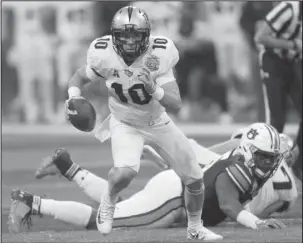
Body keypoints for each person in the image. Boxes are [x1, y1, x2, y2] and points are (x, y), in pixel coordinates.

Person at [62, 5, 218, 240]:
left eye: (135, 35)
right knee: (124, 174)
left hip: (157, 122)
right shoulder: (103, 53)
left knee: (194, 178)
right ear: (114, 36)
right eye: (124, 35)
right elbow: (79, 77)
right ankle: (109, 200)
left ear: (146, 36)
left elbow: (175, 103)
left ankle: (195, 229)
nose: (129, 41)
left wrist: (153, 89)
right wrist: (74, 97)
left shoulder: (160, 53)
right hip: (124, 121)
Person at [9, 123, 295, 233]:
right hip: (172, 200)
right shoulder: (238, 169)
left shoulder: (239, 161)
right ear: (247, 151)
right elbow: (230, 205)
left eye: (272, 157)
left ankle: (66, 166)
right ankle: (30, 203)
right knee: (100, 221)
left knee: (116, 207)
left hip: (173, 188)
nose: (269, 162)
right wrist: (256, 223)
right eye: (263, 156)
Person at [254, 2, 302, 179]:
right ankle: (264, 169)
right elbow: (260, 37)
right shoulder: (289, 9)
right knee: (276, 118)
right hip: (273, 61)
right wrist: (293, 45)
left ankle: (297, 162)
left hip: (295, 63)